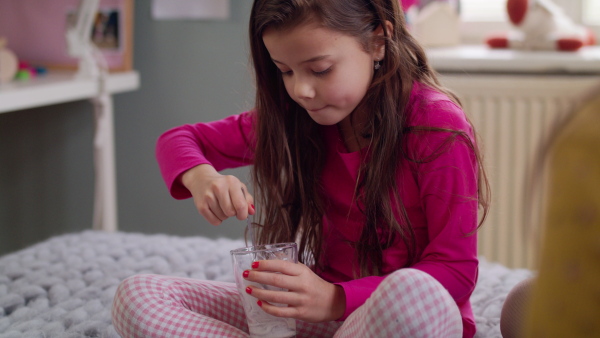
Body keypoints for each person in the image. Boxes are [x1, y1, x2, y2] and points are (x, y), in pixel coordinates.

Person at [111, 0, 489, 337]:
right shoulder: (297, 118)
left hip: (399, 316)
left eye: (320, 69)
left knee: (414, 292)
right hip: (322, 318)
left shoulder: (436, 124)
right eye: (285, 71)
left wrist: (335, 299)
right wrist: (203, 178)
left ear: (378, 40)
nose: (300, 90)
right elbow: (179, 140)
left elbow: (455, 271)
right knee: (138, 296)